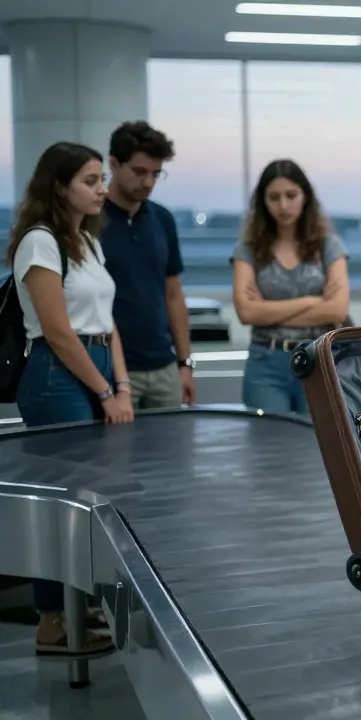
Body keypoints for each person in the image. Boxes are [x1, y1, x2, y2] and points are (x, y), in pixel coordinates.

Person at [5, 141, 134, 657]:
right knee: (65, 503)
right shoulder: (40, 242)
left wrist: (121, 386)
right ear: (60, 187)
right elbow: (58, 331)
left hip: (95, 364)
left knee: (95, 500)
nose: (102, 189)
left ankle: (80, 611)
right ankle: (53, 621)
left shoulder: (86, 241)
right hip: (58, 374)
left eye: (102, 179)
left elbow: (107, 322)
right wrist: (103, 390)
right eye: (90, 180)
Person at [230, 159, 350, 415]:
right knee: (271, 439)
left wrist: (267, 309)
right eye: (274, 197)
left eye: (291, 195)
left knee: (316, 439)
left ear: (305, 197)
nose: (283, 205)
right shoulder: (248, 248)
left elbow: (337, 310)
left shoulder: (328, 245)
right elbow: (247, 313)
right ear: (262, 201)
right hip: (266, 362)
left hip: (318, 360)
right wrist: (312, 301)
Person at [99, 121, 197, 409]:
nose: (148, 182)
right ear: (114, 164)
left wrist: (185, 363)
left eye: (156, 174)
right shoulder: (91, 220)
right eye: (139, 172)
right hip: (111, 368)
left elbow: (173, 295)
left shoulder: (163, 220)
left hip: (163, 366)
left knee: (172, 439)